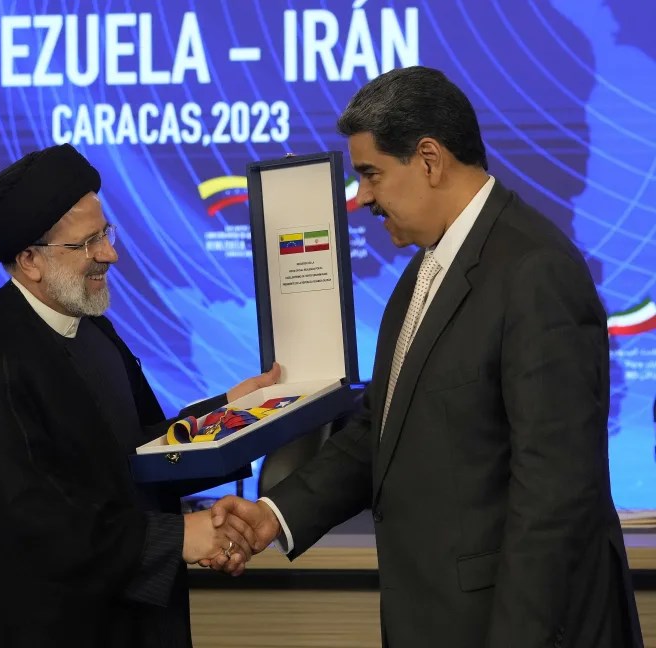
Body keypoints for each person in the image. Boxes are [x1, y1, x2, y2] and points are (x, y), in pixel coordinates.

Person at [207, 66, 643, 647]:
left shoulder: (536, 271)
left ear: (430, 159)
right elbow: (378, 432)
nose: (361, 198)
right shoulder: (422, 276)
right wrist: (275, 515)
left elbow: (554, 498)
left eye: (371, 175)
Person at [0, 143, 273, 647]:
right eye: (87, 243)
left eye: (105, 233)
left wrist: (229, 413)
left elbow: (137, 450)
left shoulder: (91, 330)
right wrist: (180, 538)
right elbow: (33, 529)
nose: (110, 253)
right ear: (30, 260)